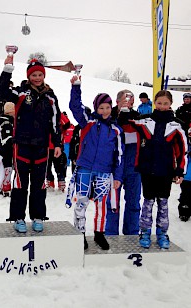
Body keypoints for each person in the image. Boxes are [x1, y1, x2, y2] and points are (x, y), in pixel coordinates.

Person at [0, 57, 62, 233]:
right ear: (28, 76)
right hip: (22, 146)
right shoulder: (20, 93)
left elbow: (56, 122)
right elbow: (1, 91)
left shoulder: (50, 97)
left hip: (41, 147)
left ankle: (38, 216)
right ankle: (18, 217)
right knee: (20, 183)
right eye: (34, 74)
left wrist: (57, 143)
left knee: (39, 184)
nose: (37, 77)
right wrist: (7, 68)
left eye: (40, 74)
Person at [121, 90, 188, 249]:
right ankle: (144, 232)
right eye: (159, 103)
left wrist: (180, 171)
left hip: (166, 171)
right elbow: (127, 123)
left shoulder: (177, 125)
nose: (162, 106)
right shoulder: (145, 121)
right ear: (154, 103)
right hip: (147, 170)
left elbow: (182, 150)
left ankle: (162, 233)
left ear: (171, 104)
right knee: (148, 202)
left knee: (163, 203)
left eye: (165, 103)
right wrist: (124, 110)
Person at [66, 76, 124, 250]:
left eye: (107, 107)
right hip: (84, 168)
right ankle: (80, 233)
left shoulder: (115, 130)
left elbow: (119, 156)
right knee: (82, 202)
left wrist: (118, 176)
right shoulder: (88, 122)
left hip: (104, 172)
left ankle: (99, 234)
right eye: (101, 107)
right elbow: (75, 107)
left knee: (101, 205)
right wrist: (76, 86)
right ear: (96, 108)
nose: (105, 111)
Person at [105, 90, 142, 236]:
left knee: (133, 203)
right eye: (125, 100)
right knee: (113, 204)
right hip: (114, 167)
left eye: (131, 101)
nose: (129, 103)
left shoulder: (138, 118)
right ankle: (111, 234)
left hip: (133, 166)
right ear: (117, 101)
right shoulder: (108, 116)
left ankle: (131, 234)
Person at [175, 92, 191, 221]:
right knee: (185, 190)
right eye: (185, 98)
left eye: (188, 98)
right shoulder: (180, 110)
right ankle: (184, 210)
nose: (187, 100)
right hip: (183, 138)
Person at [0, 102, 15, 197]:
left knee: (4, 167)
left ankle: (1, 186)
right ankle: (5, 186)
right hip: (6, 149)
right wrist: (13, 140)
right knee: (6, 167)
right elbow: (6, 138)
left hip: (4, 149)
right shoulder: (6, 122)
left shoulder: (6, 121)